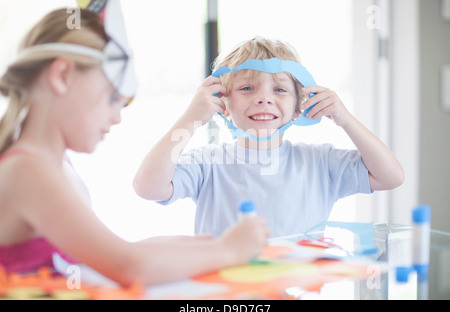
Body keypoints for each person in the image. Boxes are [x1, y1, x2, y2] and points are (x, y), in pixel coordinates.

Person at [0, 5, 269, 286]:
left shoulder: (52, 166)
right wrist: (228, 250)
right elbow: (129, 266)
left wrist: (201, 247)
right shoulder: (29, 170)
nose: (117, 117)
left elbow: (105, 254)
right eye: (112, 98)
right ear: (62, 76)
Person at [133, 36, 405, 237]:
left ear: (300, 104)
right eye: (248, 88)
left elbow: (390, 176)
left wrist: (345, 119)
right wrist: (190, 119)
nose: (263, 98)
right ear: (223, 102)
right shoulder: (208, 163)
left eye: (279, 90)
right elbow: (148, 187)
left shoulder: (320, 162)